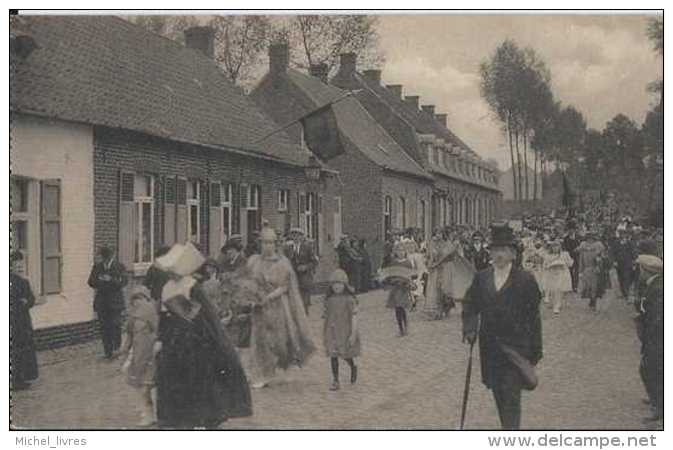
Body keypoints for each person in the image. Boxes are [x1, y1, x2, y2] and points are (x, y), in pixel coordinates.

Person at [154, 242, 252, 429]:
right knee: (174, 378)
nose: (171, 272)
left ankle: (203, 417)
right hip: (173, 341)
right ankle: (178, 418)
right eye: (169, 269)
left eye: (174, 268)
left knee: (198, 379)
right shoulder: (166, 287)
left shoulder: (192, 286)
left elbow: (207, 315)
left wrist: (214, 335)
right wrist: (159, 338)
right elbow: (164, 316)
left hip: (195, 341)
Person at [463, 223, 543, 430]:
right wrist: (470, 327)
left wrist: (534, 351)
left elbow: (533, 317)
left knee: (510, 398)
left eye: (503, 250)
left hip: (515, 349)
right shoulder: (482, 278)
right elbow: (470, 304)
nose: (498, 254)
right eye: (495, 250)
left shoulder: (525, 280)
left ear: (513, 254)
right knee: (499, 393)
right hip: (490, 349)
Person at [246, 227, 316, 389]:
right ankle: (261, 374)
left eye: (270, 243)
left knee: (278, 341)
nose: (267, 246)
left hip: (277, 307)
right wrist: (252, 298)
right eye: (264, 243)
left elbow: (285, 286)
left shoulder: (282, 263)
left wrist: (269, 297)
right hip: (259, 309)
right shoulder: (254, 261)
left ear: (275, 244)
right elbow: (248, 283)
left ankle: (284, 366)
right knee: (259, 340)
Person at [119, 286, 159, 427]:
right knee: (139, 385)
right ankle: (148, 412)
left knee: (147, 386)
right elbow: (129, 335)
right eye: (134, 299)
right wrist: (124, 350)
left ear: (145, 299)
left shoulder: (151, 312)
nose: (137, 302)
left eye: (140, 298)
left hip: (150, 355)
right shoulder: (133, 316)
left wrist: (156, 344)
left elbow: (158, 331)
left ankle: (151, 414)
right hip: (137, 356)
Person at [634, 255, 663, 424]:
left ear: (646, 270)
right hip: (654, 336)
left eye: (640, 269)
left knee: (650, 370)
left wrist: (650, 339)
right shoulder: (654, 284)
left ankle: (659, 408)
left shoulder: (658, 288)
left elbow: (658, 317)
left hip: (657, 337)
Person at [322, 269, 360, 391]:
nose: (337, 286)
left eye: (339, 283)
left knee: (344, 354)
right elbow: (327, 313)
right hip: (332, 331)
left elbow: (354, 317)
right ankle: (335, 380)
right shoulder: (329, 300)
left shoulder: (349, 300)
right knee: (333, 355)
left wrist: (353, 334)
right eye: (334, 284)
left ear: (345, 285)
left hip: (345, 331)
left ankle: (353, 366)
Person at [88, 246, 128, 359]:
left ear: (111, 256)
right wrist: (100, 279)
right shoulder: (97, 267)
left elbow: (124, 282)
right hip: (102, 302)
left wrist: (110, 279)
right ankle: (108, 352)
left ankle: (117, 349)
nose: (105, 260)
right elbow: (91, 282)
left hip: (115, 302)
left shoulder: (119, 267)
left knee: (115, 326)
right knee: (104, 327)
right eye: (103, 257)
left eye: (106, 257)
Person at [10, 251, 38, 390]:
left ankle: (21, 378)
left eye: (22, 265)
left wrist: (26, 302)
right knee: (14, 351)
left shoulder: (25, 281)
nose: (20, 268)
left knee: (23, 350)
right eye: (17, 266)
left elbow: (32, 299)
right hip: (12, 321)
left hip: (23, 321)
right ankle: (14, 380)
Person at [383, 243, 414, 337]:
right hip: (396, 288)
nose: (400, 252)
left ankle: (405, 326)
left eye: (402, 250)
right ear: (396, 252)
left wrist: (407, 282)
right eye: (398, 250)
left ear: (405, 252)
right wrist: (392, 281)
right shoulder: (394, 262)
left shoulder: (408, 263)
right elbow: (390, 274)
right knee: (397, 308)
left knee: (402, 307)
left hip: (403, 288)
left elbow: (410, 275)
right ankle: (400, 328)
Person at [287, 228, 318, 315]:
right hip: (293, 278)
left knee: (304, 301)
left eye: (298, 235)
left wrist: (306, 267)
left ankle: (304, 318)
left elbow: (314, 262)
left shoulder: (307, 247)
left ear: (301, 237)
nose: (296, 237)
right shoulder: (288, 248)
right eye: (294, 235)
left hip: (304, 278)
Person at [577, 231, 608, 313]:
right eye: (588, 239)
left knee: (595, 286)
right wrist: (580, 271)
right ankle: (591, 299)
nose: (590, 241)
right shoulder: (583, 248)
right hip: (586, 269)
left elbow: (603, 257)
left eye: (591, 239)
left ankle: (594, 302)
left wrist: (599, 263)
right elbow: (581, 260)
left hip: (595, 269)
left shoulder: (598, 246)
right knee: (587, 286)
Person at [543, 241, 574, 315]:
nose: (555, 248)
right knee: (552, 290)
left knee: (559, 289)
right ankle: (554, 303)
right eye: (553, 247)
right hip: (552, 274)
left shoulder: (565, 254)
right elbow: (544, 265)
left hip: (562, 273)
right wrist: (550, 265)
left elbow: (570, 264)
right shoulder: (548, 255)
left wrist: (563, 264)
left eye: (557, 246)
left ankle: (557, 306)